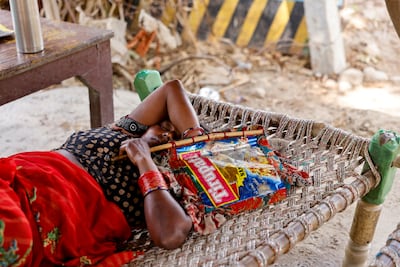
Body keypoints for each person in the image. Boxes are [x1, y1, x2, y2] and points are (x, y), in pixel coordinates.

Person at [0, 79, 204, 266]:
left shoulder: (176, 183)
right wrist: (192, 137)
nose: (167, 135)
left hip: (47, 217)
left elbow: (170, 234)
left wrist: (146, 161)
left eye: (172, 135)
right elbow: (172, 89)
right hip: (22, 179)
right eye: (166, 126)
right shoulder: (125, 130)